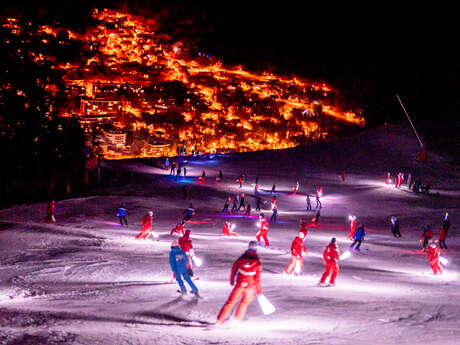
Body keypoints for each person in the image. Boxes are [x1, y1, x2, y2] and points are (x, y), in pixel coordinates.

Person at [216, 241, 262, 324]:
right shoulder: (257, 262)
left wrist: (232, 280)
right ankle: (239, 318)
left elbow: (234, 268)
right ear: (256, 249)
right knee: (246, 301)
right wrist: (259, 291)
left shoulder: (241, 259)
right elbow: (257, 279)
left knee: (231, 301)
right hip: (249, 286)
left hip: (239, 284)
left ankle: (221, 318)